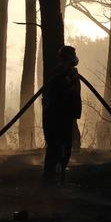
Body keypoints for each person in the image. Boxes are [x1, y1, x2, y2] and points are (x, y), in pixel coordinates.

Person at [42, 46, 82, 182]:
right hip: (56, 116)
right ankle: (49, 178)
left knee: (66, 147)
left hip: (67, 115)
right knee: (55, 147)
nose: (75, 57)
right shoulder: (58, 73)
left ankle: (59, 176)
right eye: (73, 54)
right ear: (67, 57)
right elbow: (59, 93)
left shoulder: (71, 73)